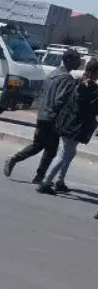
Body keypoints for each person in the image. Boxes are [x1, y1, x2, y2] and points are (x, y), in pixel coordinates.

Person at [4, 48, 81, 183]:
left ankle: (15, 159)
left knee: (38, 145)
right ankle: (39, 176)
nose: (79, 63)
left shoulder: (52, 74)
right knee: (51, 149)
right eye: (77, 60)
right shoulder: (67, 79)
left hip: (42, 115)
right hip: (53, 118)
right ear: (68, 60)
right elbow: (60, 100)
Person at [37, 56, 98, 195]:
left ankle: (59, 181)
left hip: (70, 123)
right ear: (94, 72)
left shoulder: (79, 82)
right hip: (74, 126)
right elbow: (93, 107)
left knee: (69, 153)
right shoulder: (89, 87)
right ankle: (45, 183)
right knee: (64, 153)